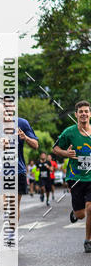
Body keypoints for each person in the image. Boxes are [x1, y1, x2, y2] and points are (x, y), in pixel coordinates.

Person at [53, 100, 91, 253]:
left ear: (90, 114)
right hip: (75, 178)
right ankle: (75, 212)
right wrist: (65, 153)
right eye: (80, 111)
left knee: (90, 208)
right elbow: (55, 148)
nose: (83, 114)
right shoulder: (69, 132)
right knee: (81, 214)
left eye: (86, 111)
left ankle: (88, 240)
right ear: (76, 115)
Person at [16, 118, 38, 219]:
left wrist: (25, 138)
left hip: (17, 170)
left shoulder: (22, 123)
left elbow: (35, 145)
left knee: (14, 207)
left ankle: (11, 234)